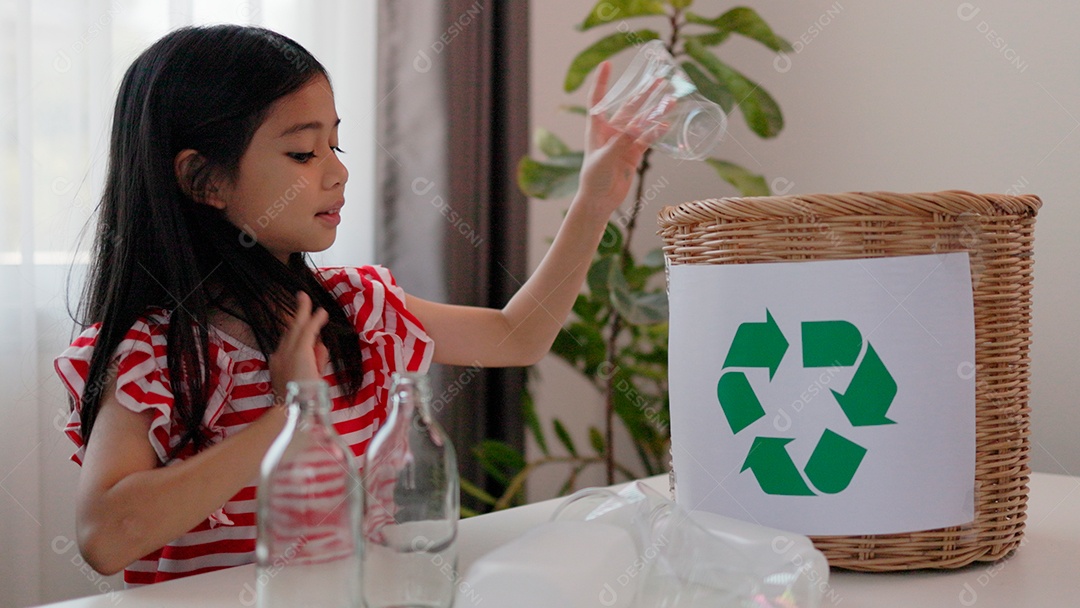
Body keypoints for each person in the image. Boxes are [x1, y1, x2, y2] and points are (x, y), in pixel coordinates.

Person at [55, 24, 659, 586]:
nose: (338, 173)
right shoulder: (155, 353)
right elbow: (105, 538)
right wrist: (290, 419)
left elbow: (518, 335)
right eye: (303, 154)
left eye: (336, 146)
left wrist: (592, 201)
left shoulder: (357, 308)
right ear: (205, 181)